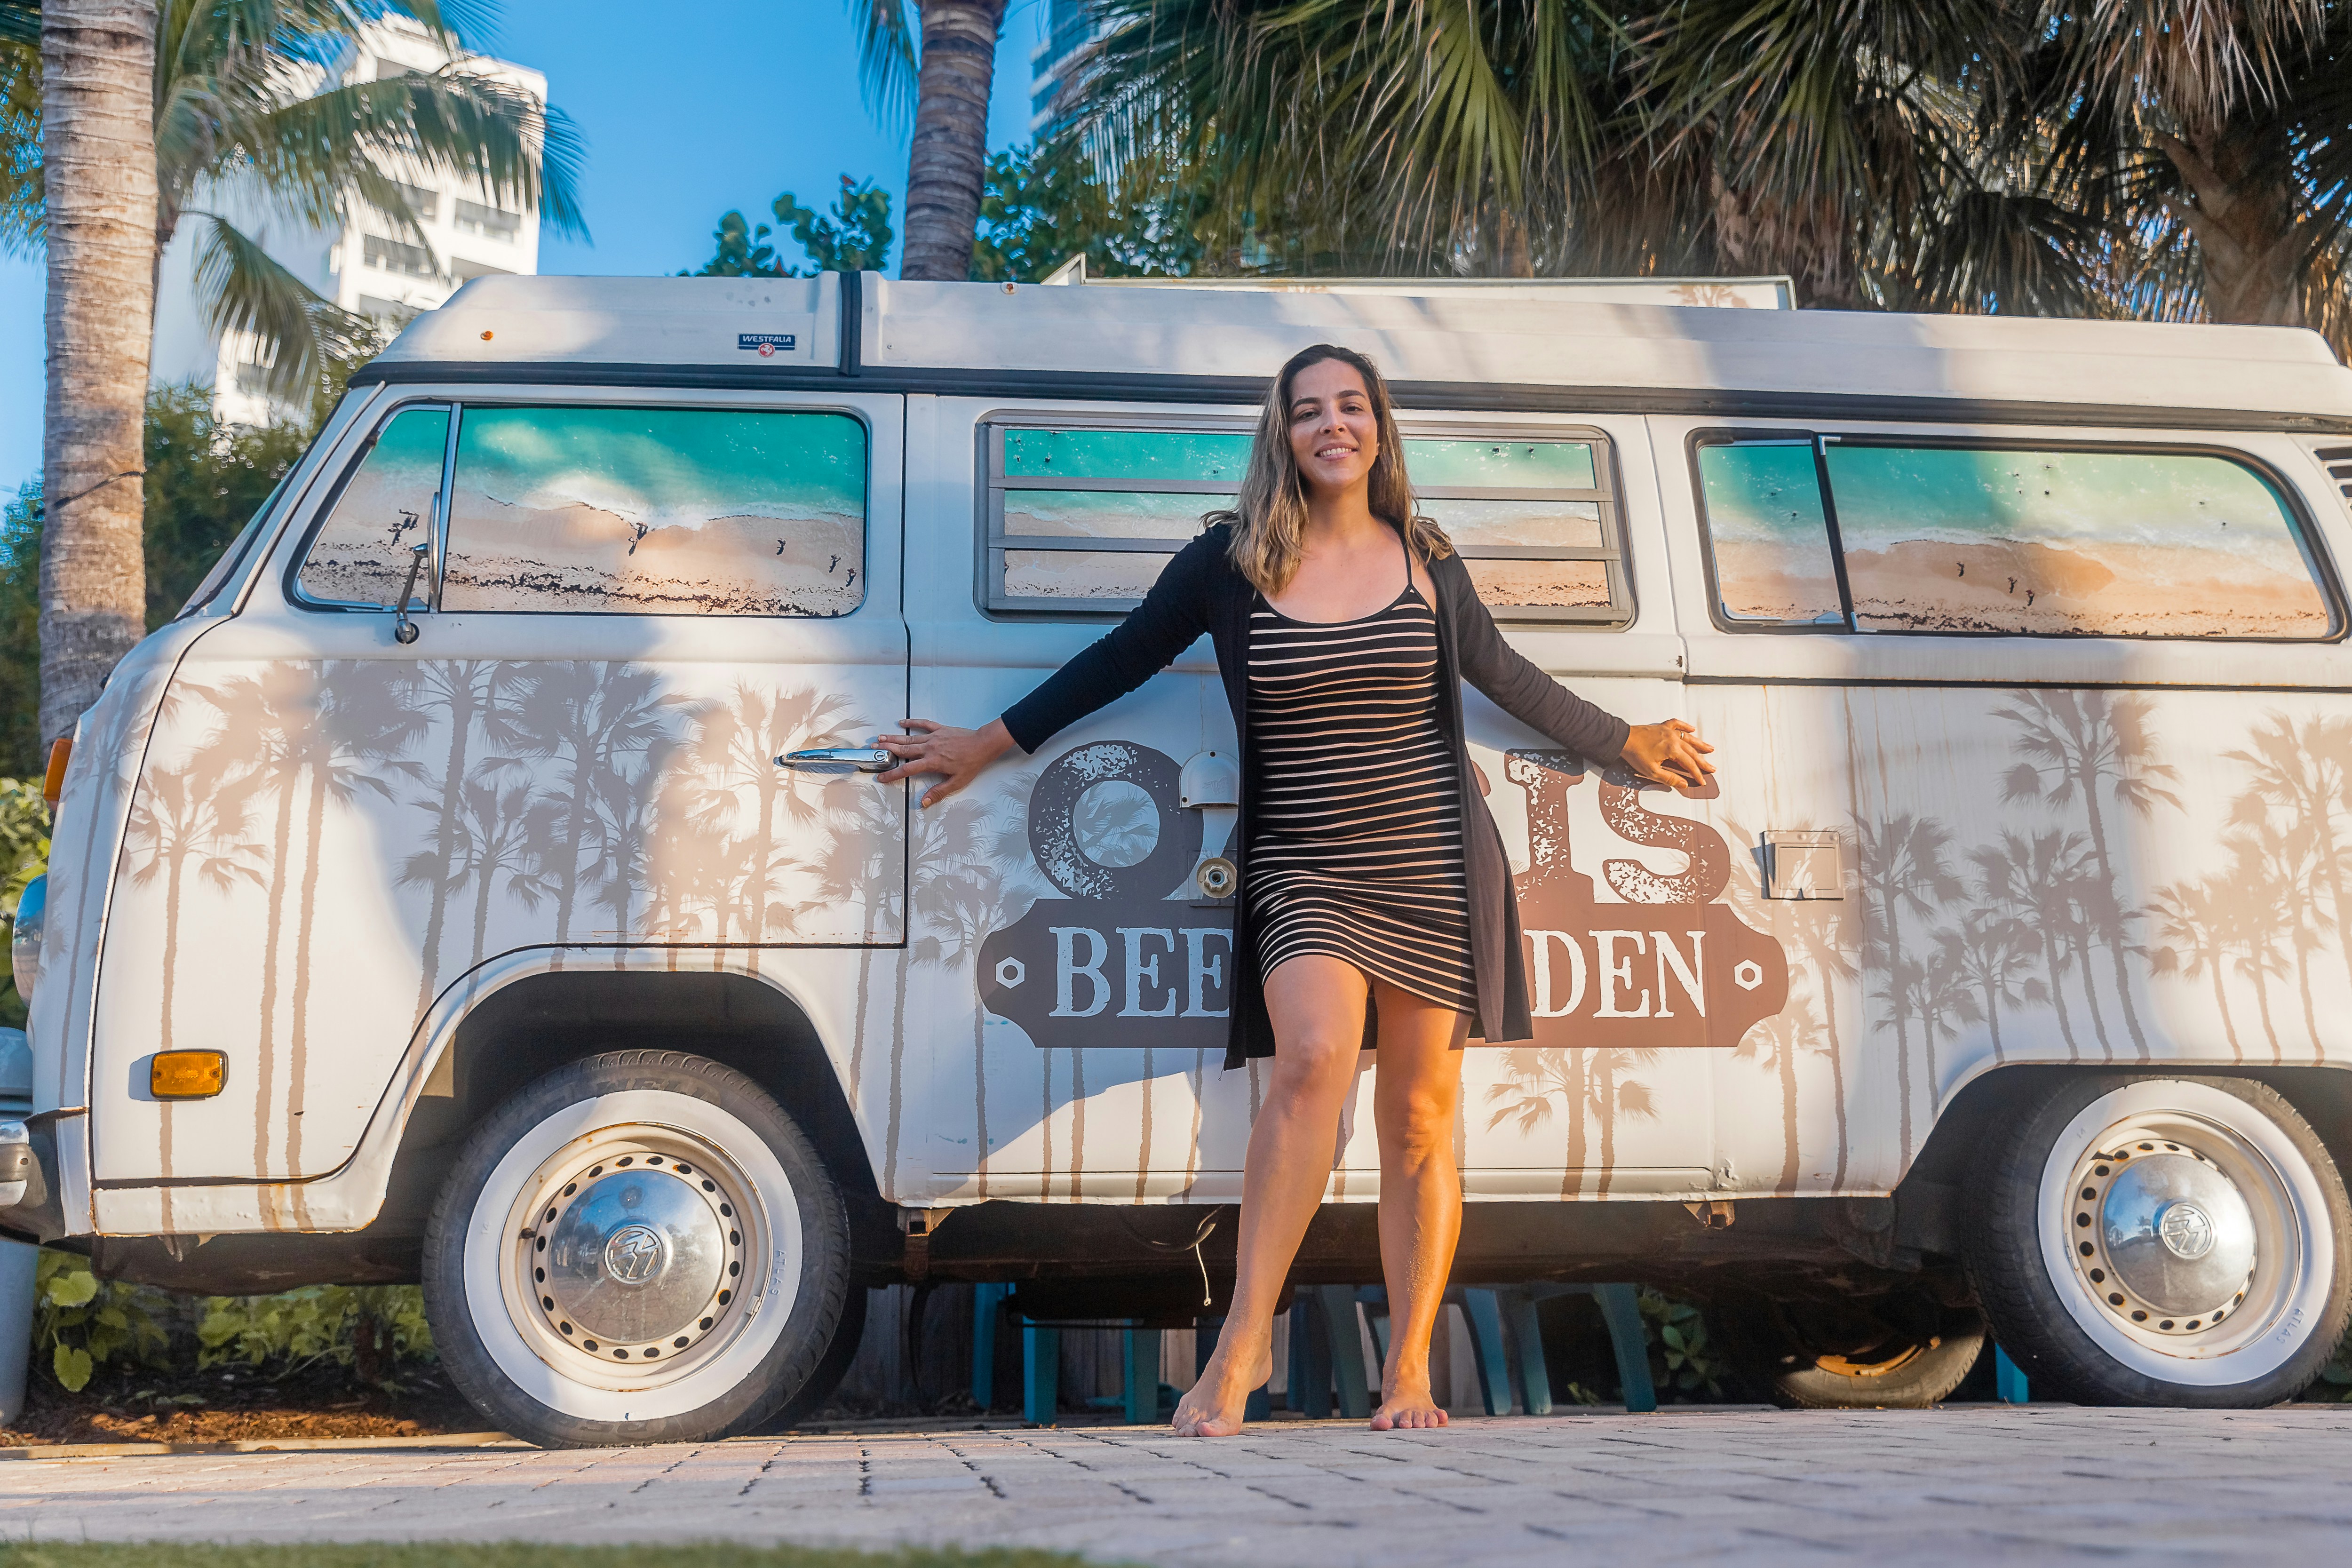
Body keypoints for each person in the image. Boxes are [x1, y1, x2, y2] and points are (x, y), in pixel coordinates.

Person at [879, 344, 1716, 1435]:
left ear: (1379, 426)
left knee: (1419, 1117)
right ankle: (1242, 1341)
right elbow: (1120, 658)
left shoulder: (1425, 555)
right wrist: (986, 743)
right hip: (1303, 860)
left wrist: (1626, 741)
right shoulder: (1230, 562)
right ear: (1282, 431)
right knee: (1311, 1060)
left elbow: (1503, 676)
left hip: (1430, 856)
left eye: (1352, 406)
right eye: (1309, 410)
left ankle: (1408, 1365)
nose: (1333, 425)